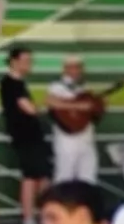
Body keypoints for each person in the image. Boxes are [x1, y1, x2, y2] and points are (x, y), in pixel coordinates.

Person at [46, 56, 110, 192]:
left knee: (88, 176)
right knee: (64, 176)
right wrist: (79, 106)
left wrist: (98, 106)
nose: (75, 70)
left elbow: (92, 109)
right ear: (65, 69)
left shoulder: (85, 87)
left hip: (87, 136)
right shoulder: (57, 86)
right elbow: (51, 102)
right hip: (66, 138)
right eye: (72, 67)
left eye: (78, 67)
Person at [0, 46, 43, 200]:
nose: (29, 64)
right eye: (26, 61)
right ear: (14, 62)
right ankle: (29, 212)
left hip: (30, 134)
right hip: (24, 135)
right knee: (31, 176)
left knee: (38, 174)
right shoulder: (11, 83)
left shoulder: (18, 83)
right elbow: (29, 109)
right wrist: (43, 105)